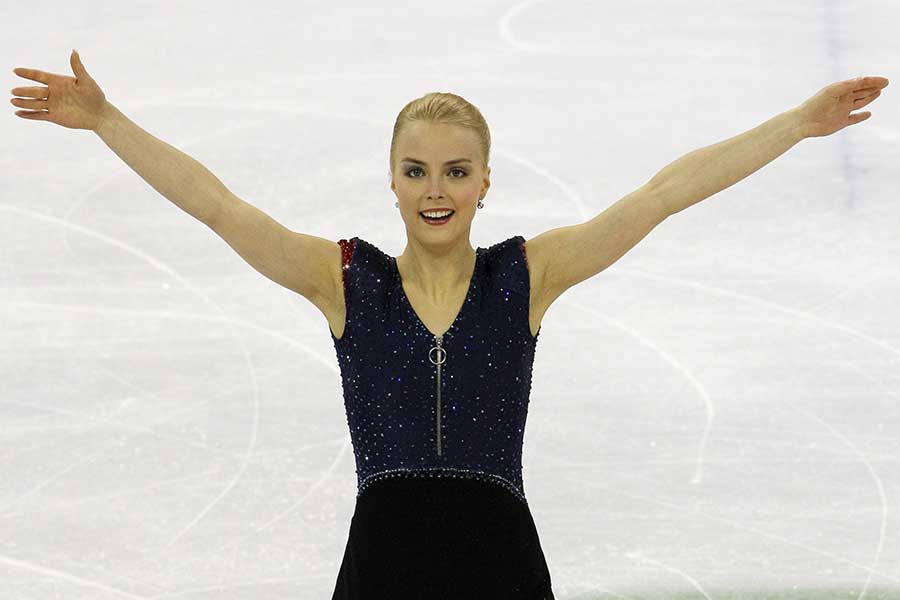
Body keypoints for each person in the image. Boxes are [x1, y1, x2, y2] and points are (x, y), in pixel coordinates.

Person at [12, 50, 888, 599]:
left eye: (456, 171)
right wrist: (105, 121)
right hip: (383, 563)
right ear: (391, 181)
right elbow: (215, 206)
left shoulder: (528, 278)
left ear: (484, 183)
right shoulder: (343, 280)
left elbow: (662, 194)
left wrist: (798, 125)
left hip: (501, 559)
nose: (437, 188)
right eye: (418, 170)